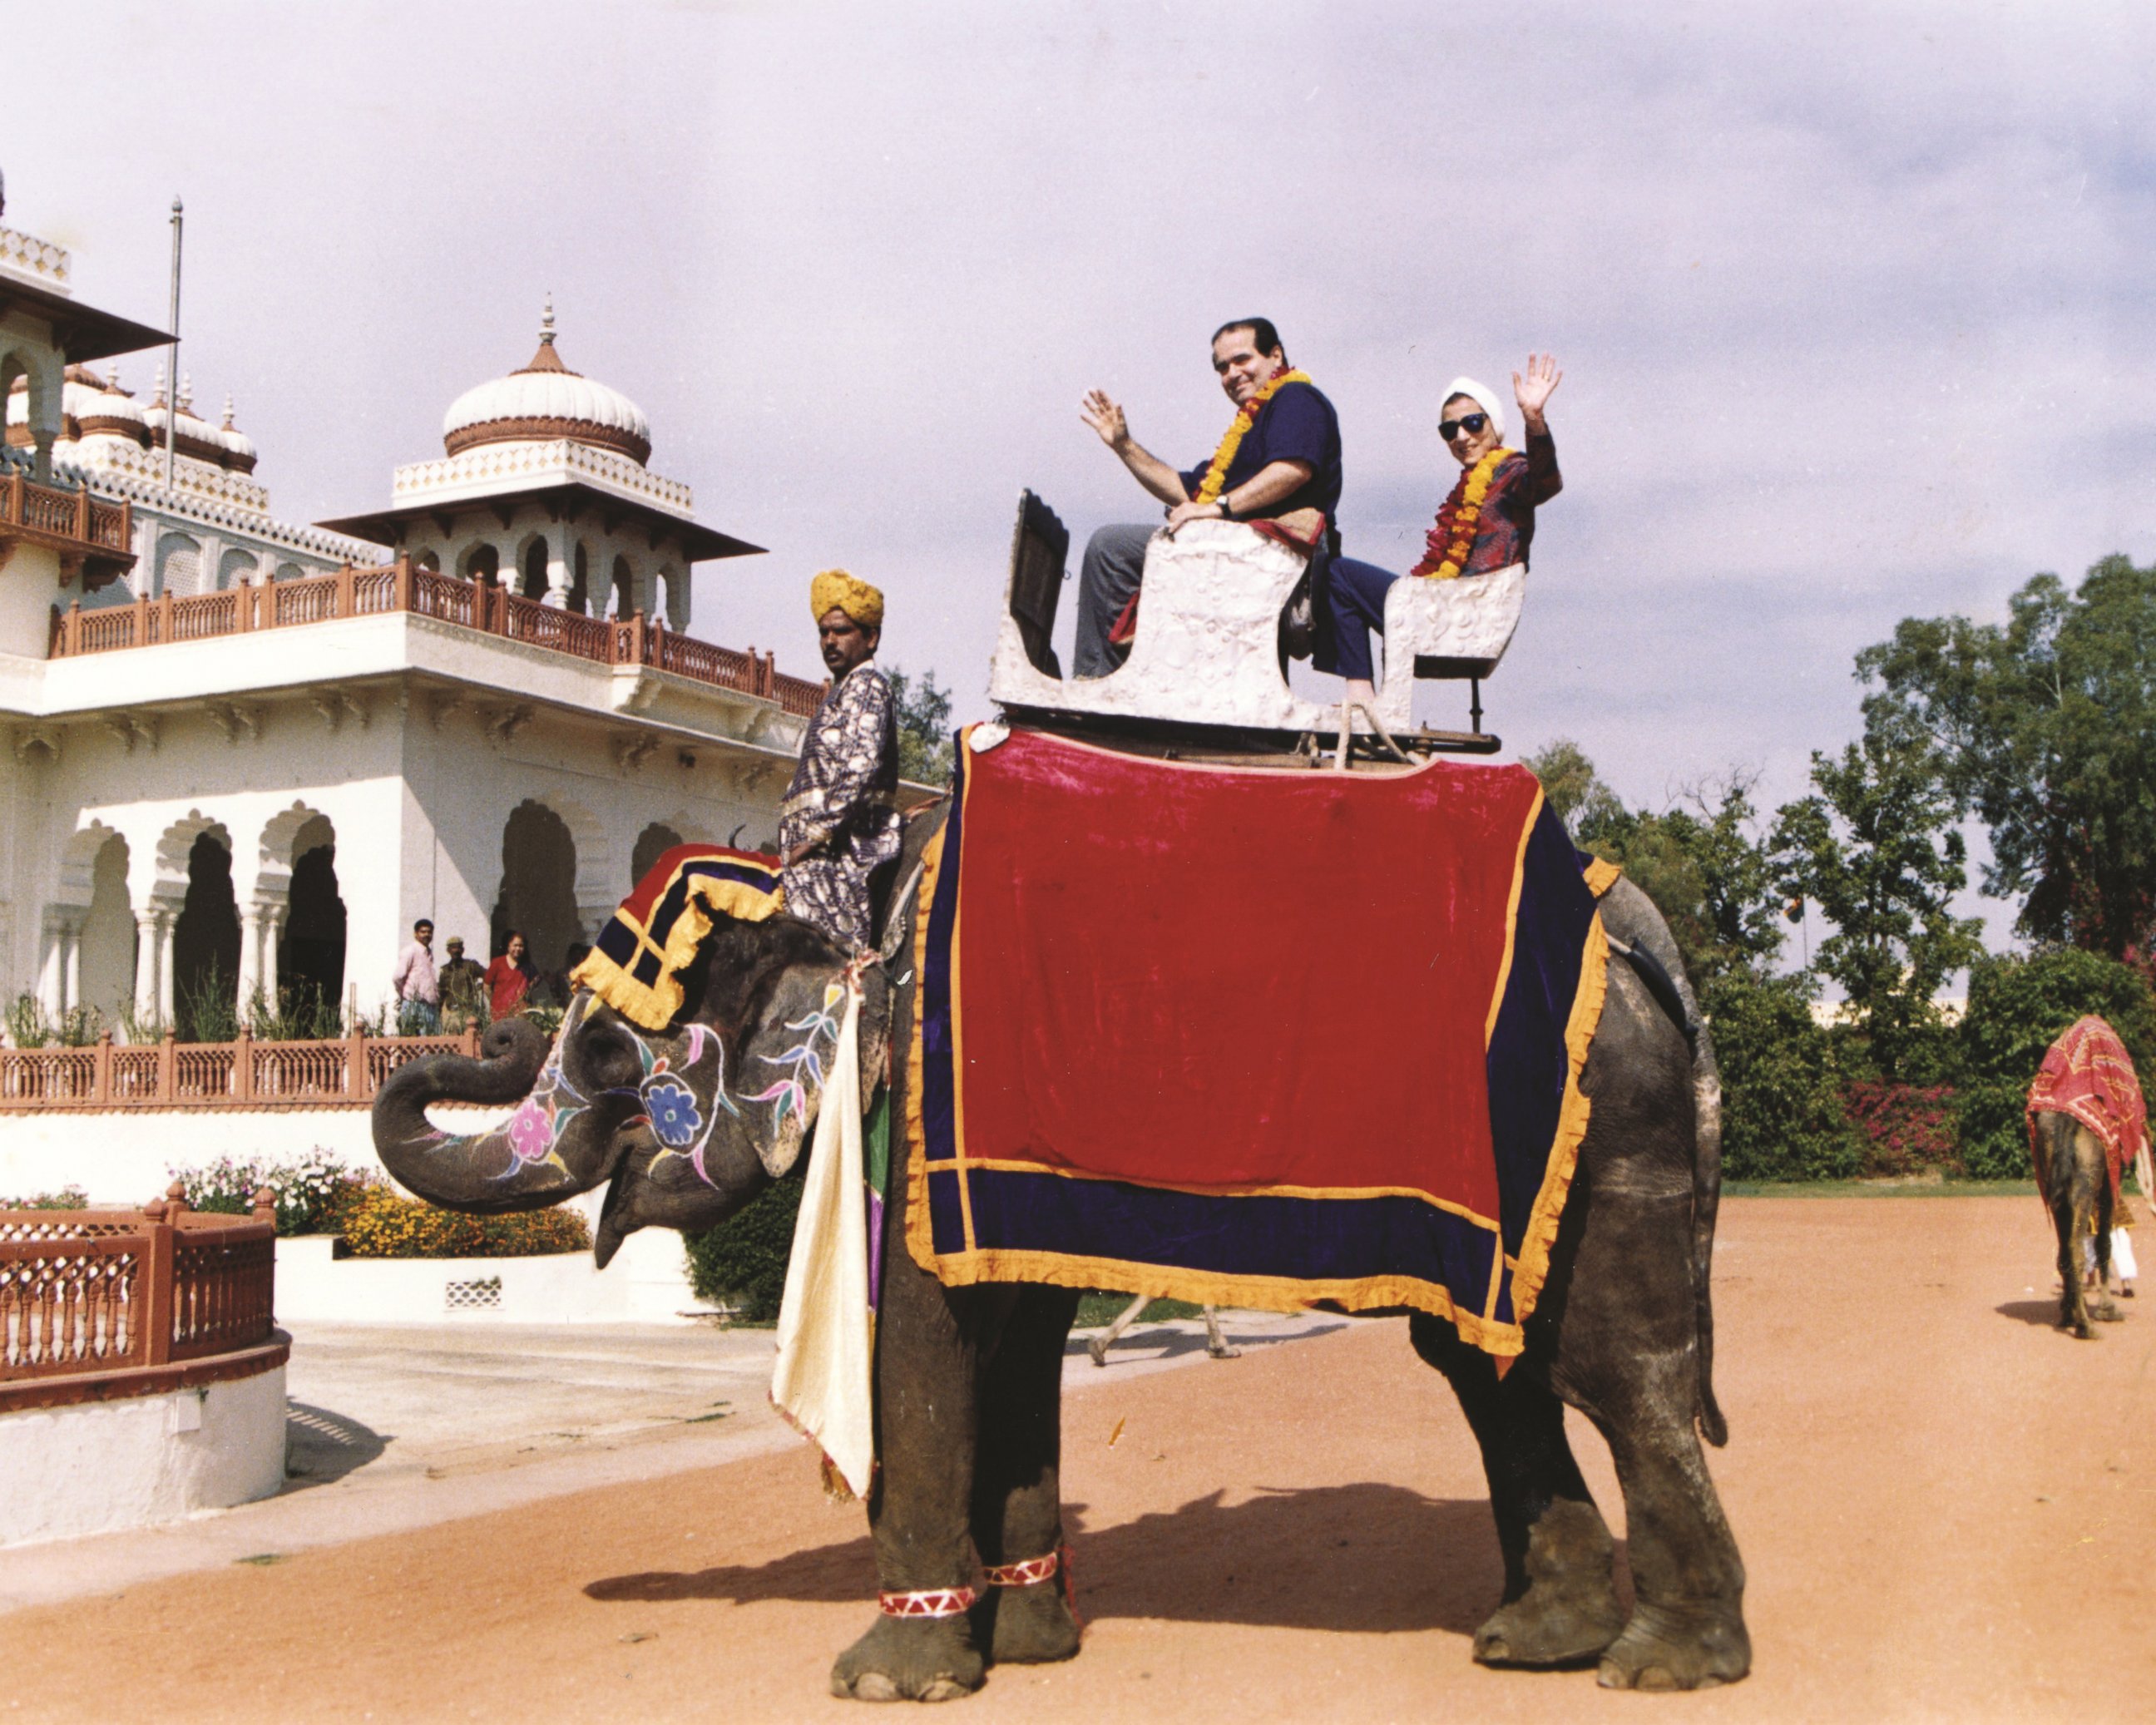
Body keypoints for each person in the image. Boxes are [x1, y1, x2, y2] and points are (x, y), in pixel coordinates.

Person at [1074, 318, 1343, 677]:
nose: (1232, 374)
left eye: (1242, 360)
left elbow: (1292, 470)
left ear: (1275, 355)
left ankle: (1099, 679)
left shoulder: (1296, 398)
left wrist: (1219, 508)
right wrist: (1124, 446)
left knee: (1112, 547)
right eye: (1222, 367)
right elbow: (1185, 491)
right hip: (1244, 556)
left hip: (1275, 561)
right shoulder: (1251, 425)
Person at [1323, 354, 1564, 709]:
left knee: (1337, 573)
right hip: (1449, 605)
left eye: (1473, 423)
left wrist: (1534, 419)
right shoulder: (1464, 489)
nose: (1462, 437)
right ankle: (1365, 698)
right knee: (1337, 579)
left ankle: (1361, 696)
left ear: (1494, 426)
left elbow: (1545, 483)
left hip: (1467, 611)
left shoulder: (1509, 472)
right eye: (1449, 430)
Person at [779, 570, 902, 951]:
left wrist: (813, 837)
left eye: (842, 631)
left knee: (824, 962)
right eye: (824, 632)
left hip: (840, 853)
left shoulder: (868, 686)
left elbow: (859, 768)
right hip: (819, 852)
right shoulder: (841, 691)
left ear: (871, 638)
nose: (830, 641)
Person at [391, 918, 439, 1035]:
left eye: (429, 932)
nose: (426, 935)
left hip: (428, 1006)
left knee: (428, 1044)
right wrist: (407, 994)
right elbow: (398, 977)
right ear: (416, 934)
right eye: (423, 932)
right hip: (413, 1004)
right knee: (410, 1041)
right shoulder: (410, 951)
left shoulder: (429, 953)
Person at [485, 932, 537, 1020]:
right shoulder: (497, 963)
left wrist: (525, 993)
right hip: (500, 1012)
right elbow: (486, 986)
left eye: (521, 946)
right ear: (508, 946)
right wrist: (496, 1002)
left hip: (520, 1012)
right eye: (515, 945)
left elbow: (536, 978)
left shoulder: (527, 966)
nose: (518, 948)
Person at [438, 937, 485, 1019]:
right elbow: (441, 993)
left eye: (459, 947)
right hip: (451, 1013)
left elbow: (489, 976)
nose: (456, 950)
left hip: (468, 1011)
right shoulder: (445, 970)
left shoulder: (471, 965)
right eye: (453, 948)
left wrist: (481, 987)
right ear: (448, 950)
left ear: (463, 950)